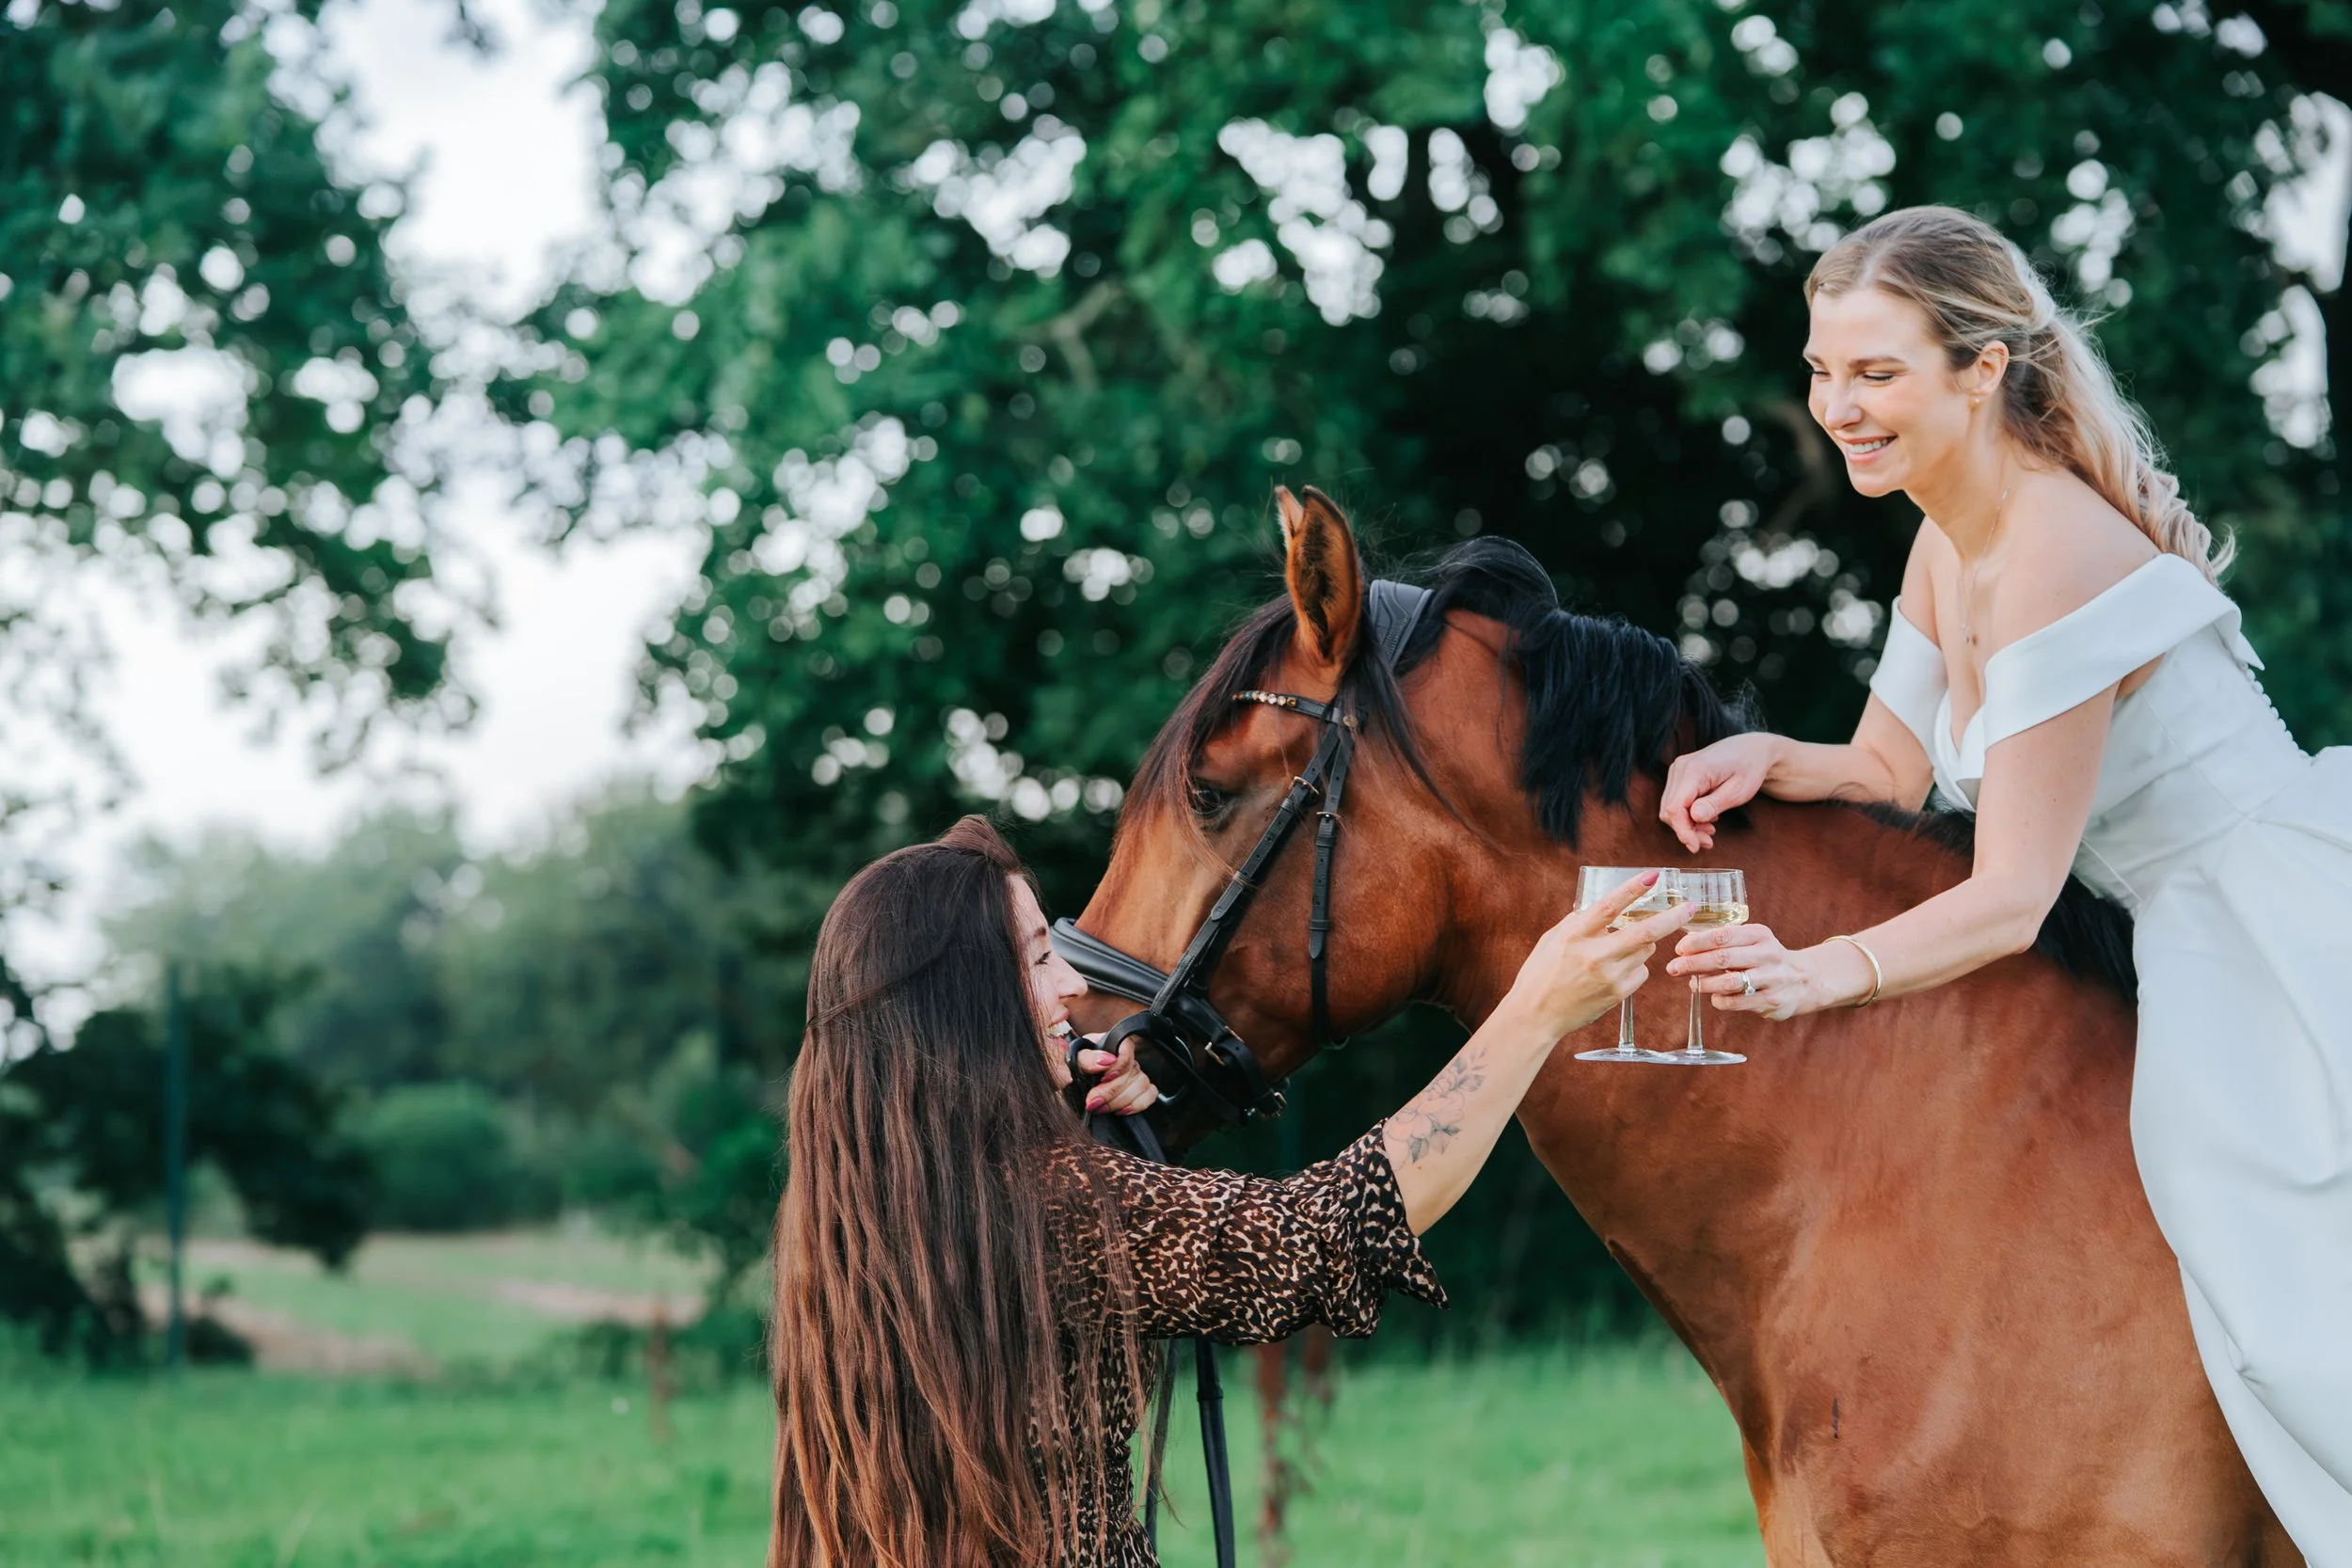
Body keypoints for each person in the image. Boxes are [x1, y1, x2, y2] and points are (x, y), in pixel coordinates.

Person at [1655, 205, 2352, 1555]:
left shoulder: (2048, 550)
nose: (1837, 405)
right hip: (2178, 920)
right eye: (1821, 369)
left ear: (1982, 369)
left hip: (2263, 913)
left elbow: (2013, 895)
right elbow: (1890, 763)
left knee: (2280, 1314)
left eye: (1876, 372)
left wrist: (1812, 975)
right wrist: (1765, 754)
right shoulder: (1944, 539)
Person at [767, 815, 1689, 1567]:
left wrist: (1108, 1076)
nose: (1073, 980)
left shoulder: (854, 1201)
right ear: (967, 999)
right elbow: (1316, 1232)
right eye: (1040, 953)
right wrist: (1532, 1010)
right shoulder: (1056, 1206)